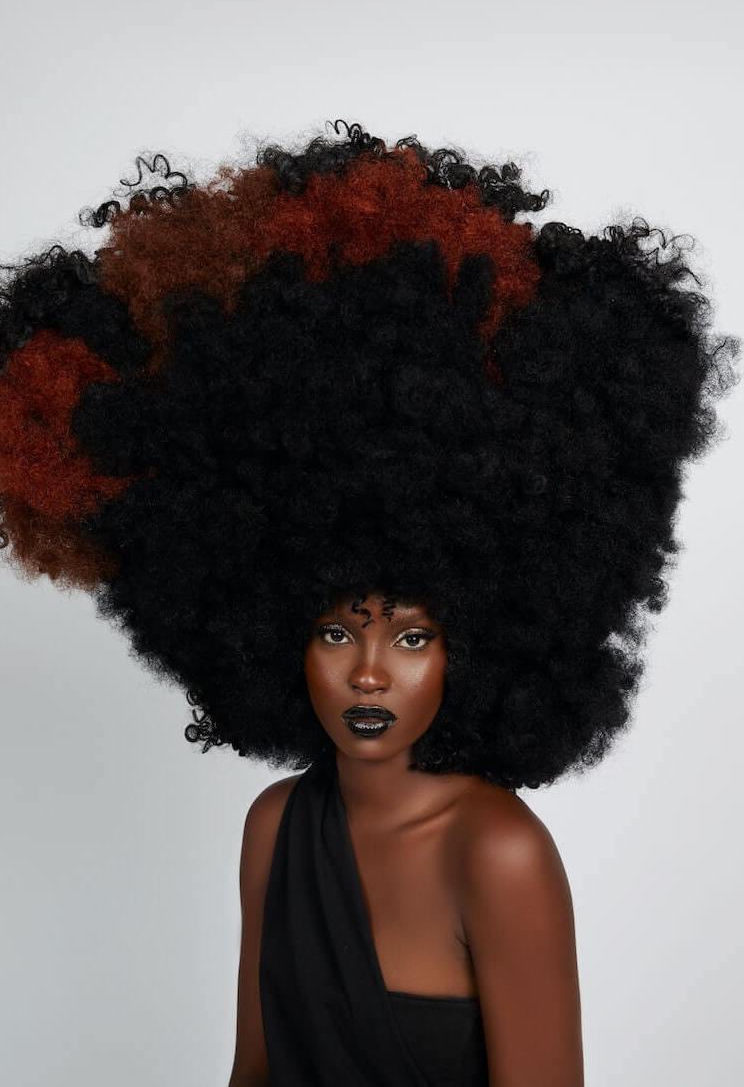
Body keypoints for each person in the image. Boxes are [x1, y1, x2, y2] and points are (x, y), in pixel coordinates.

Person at [0, 118, 738, 1086]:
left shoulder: (498, 851)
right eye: (336, 630)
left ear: (475, 644)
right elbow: (252, 1072)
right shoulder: (276, 829)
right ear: (270, 634)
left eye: (413, 635)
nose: (370, 672)